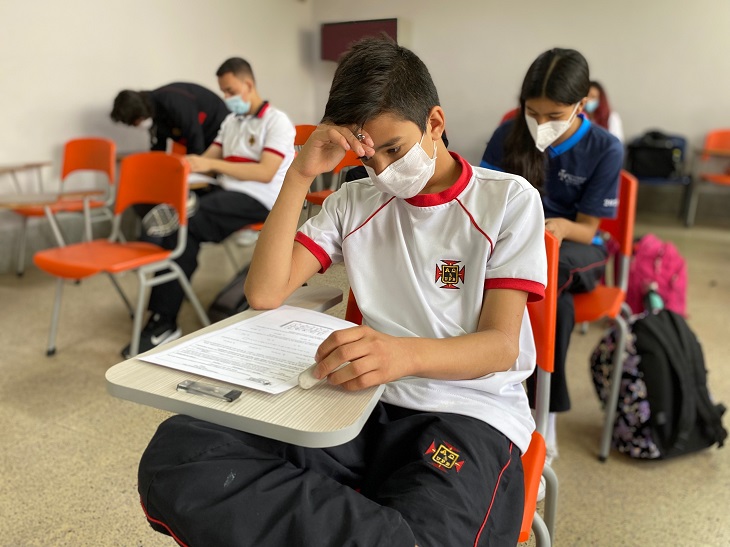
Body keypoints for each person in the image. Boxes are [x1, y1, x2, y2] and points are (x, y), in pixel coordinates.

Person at [137, 37, 547, 546]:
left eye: (395, 149)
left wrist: (400, 354)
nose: (384, 172)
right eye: (369, 157)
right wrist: (299, 174)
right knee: (180, 451)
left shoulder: (507, 200)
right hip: (362, 402)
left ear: (435, 123)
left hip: (465, 412)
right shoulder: (355, 200)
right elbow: (265, 292)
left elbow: (500, 347)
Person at [480, 48, 624, 465]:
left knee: (549, 273)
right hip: (517, 242)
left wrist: (556, 228)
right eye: (532, 112)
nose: (540, 124)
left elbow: (590, 229)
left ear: (583, 104)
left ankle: (543, 410)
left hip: (575, 249)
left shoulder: (604, 148)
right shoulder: (509, 133)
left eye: (554, 115)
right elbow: (485, 195)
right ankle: (503, 387)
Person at [121, 57, 295, 358]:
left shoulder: (277, 121)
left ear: (248, 84)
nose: (226, 98)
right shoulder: (230, 122)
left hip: (262, 198)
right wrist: (183, 171)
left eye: (229, 91)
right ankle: (164, 315)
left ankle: (163, 316)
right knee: (182, 233)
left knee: (186, 223)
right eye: (223, 92)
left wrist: (210, 164)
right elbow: (207, 160)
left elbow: (265, 172)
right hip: (224, 192)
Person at [111, 82, 230, 155]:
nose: (136, 125)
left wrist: (193, 171)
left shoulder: (172, 102)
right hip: (202, 139)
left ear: (139, 113)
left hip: (220, 131)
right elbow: (159, 145)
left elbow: (195, 139)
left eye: (134, 122)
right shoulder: (154, 113)